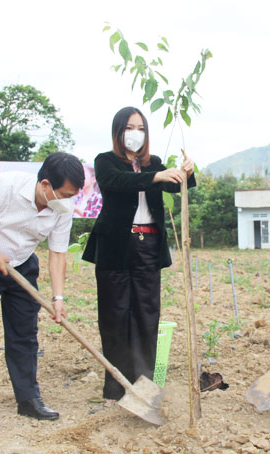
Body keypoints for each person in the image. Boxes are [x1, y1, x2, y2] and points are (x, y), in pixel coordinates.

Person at [0, 152, 84, 429]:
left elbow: (58, 254)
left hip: (22, 267)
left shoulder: (61, 210)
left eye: (72, 196)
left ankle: (28, 399)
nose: (67, 201)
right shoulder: (5, 186)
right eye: (64, 194)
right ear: (46, 185)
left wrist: (58, 297)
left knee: (25, 335)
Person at [82, 106, 195, 401]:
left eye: (141, 128)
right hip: (115, 248)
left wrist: (187, 174)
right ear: (118, 132)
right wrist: (156, 178)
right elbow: (115, 183)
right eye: (130, 128)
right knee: (114, 314)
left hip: (148, 245)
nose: (136, 134)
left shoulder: (153, 163)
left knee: (147, 314)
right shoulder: (106, 162)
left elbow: (175, 186)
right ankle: (116, 387)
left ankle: (145, 385)